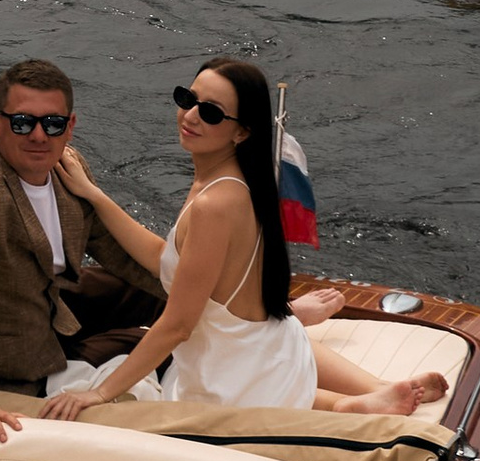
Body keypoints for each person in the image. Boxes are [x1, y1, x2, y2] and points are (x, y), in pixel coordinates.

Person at [44, 58, 451, 423]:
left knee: (82, 380)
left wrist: (98, 393)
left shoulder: (215, 203)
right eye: (188, 98)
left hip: (232, 379)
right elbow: (164, 257)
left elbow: (178, 325)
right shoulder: (228, 180)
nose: (191, 115)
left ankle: (355, 402)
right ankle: (357, 401)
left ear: (241, 132)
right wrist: (96, 196)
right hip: (267, 351)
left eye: (211, 112)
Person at [0, 61, 161, 450]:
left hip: (45, 321)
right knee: (142, 357)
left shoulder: (69, 167)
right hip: (3, 368)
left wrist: (209, 300)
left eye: (53, 124)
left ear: (70, 125)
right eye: (24, 122)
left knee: (160, 317)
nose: (40, 136)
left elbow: (120, 254)